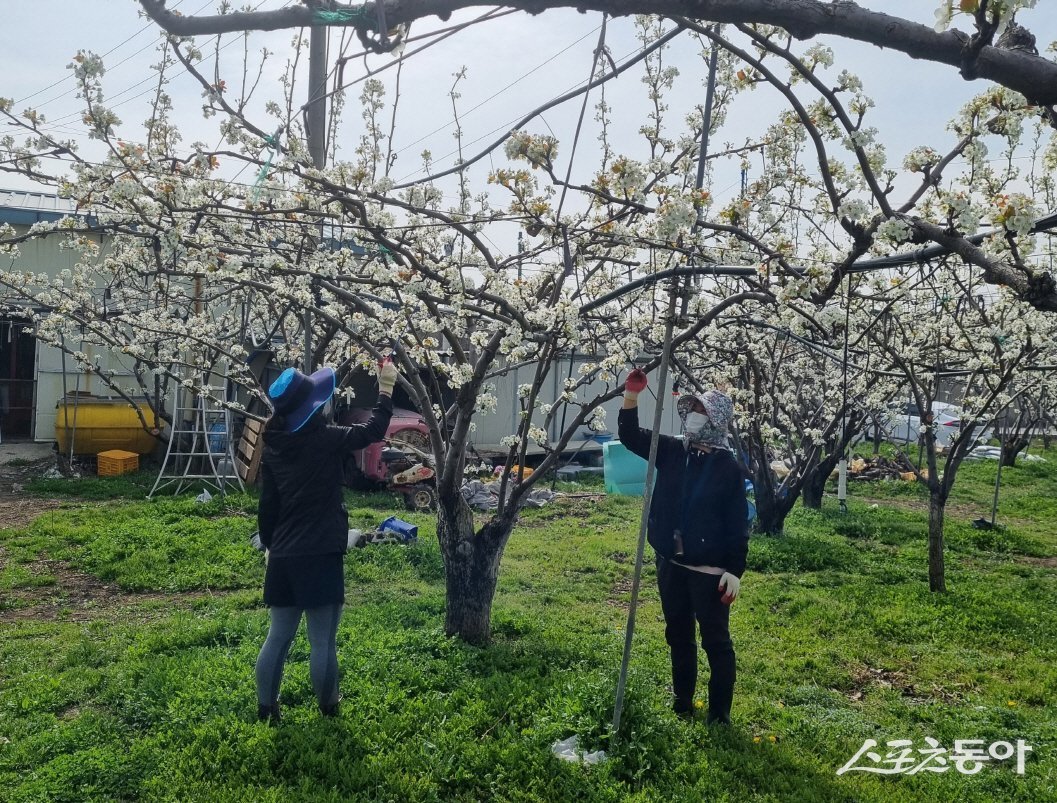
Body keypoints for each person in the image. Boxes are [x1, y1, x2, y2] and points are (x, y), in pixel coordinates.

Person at [254, 358, 399, 723]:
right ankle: (329, 709)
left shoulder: (274, 446)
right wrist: (385, 389)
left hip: (284, 553)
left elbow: (268, 506)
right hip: (320, 551)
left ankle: (266, 709)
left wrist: (271, 546)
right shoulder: (326, 439)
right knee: (321, 640)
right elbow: (374, 430)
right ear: (312, 406)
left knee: (278, 637)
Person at [618, 368, 749, 725]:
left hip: (709, 573)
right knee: (678, 634)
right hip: (671, 564)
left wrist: (735, 571)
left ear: (717, 420)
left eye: (702, 412)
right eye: (692, 409)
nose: (693, 417)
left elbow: (739, 524)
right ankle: (682, 702)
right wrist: (632, 395)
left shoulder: (728, 468)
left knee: (716, 643)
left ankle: (719, 716)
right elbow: (630, 435)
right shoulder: (673, 451)